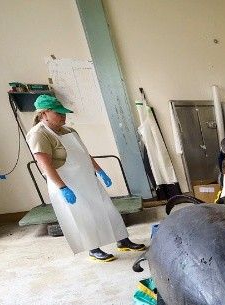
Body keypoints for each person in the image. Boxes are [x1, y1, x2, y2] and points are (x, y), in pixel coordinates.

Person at [26, 95, 145, 262]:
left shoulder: (69, 130)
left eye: (64, 113)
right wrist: (62, 188)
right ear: (44, 113)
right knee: (83, 215)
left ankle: (122, 240)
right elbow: (45, 166)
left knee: (107, 209)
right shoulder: (38, 134)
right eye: (58, 113)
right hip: (67, 183)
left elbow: (83, 153)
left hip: (87, 178)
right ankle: (93, 249)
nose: (63, 117)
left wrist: (100, 171)